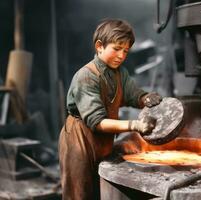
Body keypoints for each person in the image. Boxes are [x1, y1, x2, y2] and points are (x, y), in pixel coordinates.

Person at [58, 18, 162, 200]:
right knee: (80, 194)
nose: (121, 55)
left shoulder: (120, 73)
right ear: (99, 46)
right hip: (79, 141)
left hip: (102, 142)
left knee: (102, 192)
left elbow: (132, 94)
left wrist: (145, 98)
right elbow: (96, 122)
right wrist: (135, 125)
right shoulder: (86, 77)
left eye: (126, 51)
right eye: (116, 48)